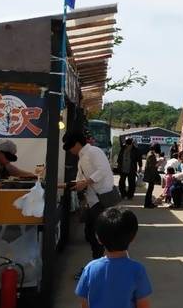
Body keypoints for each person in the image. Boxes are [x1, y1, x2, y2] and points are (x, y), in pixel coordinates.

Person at [76, 207, 152, 308]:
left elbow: (84, 303)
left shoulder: (90, 268)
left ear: (98, 238)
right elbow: (143, 305)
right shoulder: (137, 270)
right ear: (133, 238)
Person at [63, 132, 115, 260]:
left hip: (101, 199)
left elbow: (102, 170)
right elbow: (81, 178)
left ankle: (97, 264)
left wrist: (86, 182)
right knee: (91, 234)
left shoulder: (93, 151)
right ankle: (97, 262)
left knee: (96, 234)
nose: (70, 150)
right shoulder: (83, 156)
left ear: (76, 144)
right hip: (92, 201)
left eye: (70, 147)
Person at [0, 139, 36, 207]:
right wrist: (0, 184)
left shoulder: (6, 165)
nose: (9, 160)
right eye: (8, 156)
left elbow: (21, 173)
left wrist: (36, 177)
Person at [142, 144, 161, 208]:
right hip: (151, 175)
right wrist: (159, 163)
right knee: (150, 190)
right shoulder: (151, 155)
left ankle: (148, 203)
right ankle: (147, 204)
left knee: (150, 189)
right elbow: (153, 166)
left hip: (150, 174)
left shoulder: (150, 153)